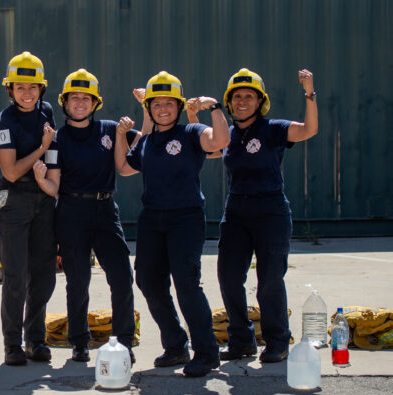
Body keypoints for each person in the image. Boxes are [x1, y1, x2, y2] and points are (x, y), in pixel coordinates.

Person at [118, 71, 230, 377]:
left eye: (169, 103)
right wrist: (124, 132)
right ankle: (176, 345)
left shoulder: (192, 133)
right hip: (152, 219)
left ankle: (206, 352)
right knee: (148, 282)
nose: (163, 108)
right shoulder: (146, 141)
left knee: (186, 284)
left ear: (179, 107)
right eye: (156, 104)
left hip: (186, 218)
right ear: (150, 107)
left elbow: (220, 140)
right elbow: (125, 168)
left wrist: (216, 107)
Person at [34, 69, 140, 363]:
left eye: (87, 98)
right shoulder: (57, 139)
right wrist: (42, 181)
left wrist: (145, 110)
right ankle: (79, 342)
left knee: (121, 276)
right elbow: (53, 182)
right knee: (77, 280)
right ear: (65, 103)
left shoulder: (110, 130)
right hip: (71, 212)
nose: (80, 102)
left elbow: (146, 142)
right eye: (74, 98)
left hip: (105, 210)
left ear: (96, 103)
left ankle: (123, 340)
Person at [217, 68, 318, 363]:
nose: (242, 101)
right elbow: (206, 146)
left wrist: (309, 93)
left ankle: (277, 340)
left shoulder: (273, 128)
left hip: (270, 210)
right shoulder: (229, 135)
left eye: (249, 96)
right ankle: (242, 341)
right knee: (228, 276)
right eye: (237, 96)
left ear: (261, 101)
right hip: (236, 210)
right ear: (230, 102)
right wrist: (197, 114)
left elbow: (308, 130)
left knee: (270, 278)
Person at [0, 51, 57, 365]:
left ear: (41, 89)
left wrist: (53, 184)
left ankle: (35, 340)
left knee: (44, 275)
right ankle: (12, 345)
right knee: (16, 276)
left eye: (33, 87)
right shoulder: (4, 123)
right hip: (14, 203)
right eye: (20, 87)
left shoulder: (47, 111)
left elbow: (55, 153)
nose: (27, 93)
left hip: (43, 200)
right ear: (10, 89)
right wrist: (41, 149)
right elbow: (11, 172)